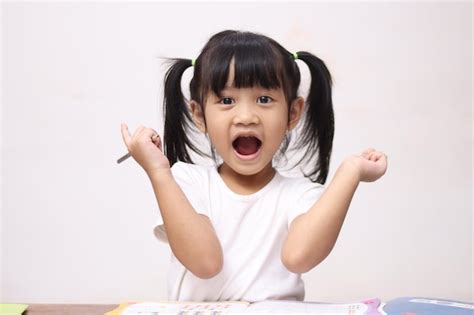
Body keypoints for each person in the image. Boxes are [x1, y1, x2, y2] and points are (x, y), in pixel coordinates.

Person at [120, 30, 387, 302]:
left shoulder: (300, 194)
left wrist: (350, 171)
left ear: (292, 113)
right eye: (226, 101)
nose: (246, 117)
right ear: (199, 115)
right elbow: (205, 262)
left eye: (264, 100)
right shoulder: (186, 181)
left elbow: (298, 257)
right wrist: (158, 172)